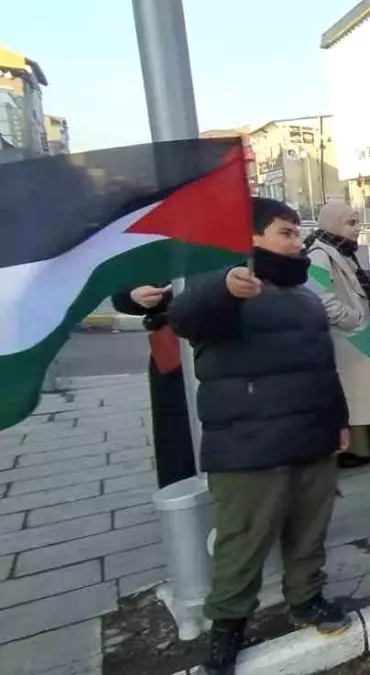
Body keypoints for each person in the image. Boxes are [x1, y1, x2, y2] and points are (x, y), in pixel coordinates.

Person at [171, 198, 352, 675]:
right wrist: (223, 287)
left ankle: (307, 599)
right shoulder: (227, 289)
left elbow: (322, 367)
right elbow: (186, 316)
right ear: (251, 238)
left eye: (297, 232)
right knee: (243, 541)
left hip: (312, 434)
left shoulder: (305, 295)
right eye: (284, 233)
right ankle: (227, 627)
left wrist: (339, 420)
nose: (296, 242)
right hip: (249, 444)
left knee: (309, 531)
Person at [305, 202, 370, 468]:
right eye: (351, 223)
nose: (357, 229)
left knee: (361, 396)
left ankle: (364, 448)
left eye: (357, 223)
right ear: (333, 223)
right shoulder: (318, 255)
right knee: (353, 397)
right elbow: (322, 298)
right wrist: (355, 320)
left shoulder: (342, 251)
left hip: (354, 338)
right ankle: (352, 449)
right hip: (343, 339)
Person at [111, 282, 196, 488]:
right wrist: (133, 296)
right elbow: (120, 294)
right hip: (174, 351)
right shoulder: (148, 252)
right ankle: (181, 496)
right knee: (177, 435)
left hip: (228, 344)